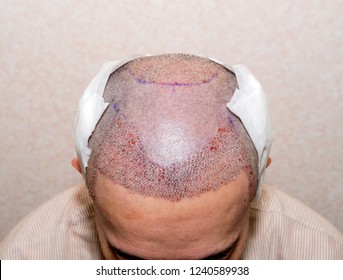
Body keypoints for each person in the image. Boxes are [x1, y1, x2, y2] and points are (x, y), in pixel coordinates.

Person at [0, 54, 342, 259]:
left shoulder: (319, 254)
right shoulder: (29, 256)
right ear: (87, 186)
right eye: (130, 261)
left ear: (257, 184)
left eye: (215, 261)